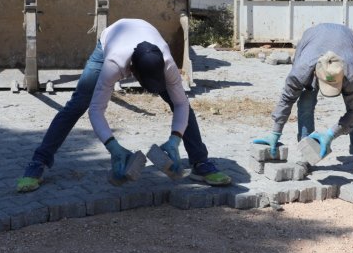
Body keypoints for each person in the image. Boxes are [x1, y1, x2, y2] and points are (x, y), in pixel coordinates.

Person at [16, 19, 232, 192]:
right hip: (111, 39)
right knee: (78, 103)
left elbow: (182, 104)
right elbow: (96, 110)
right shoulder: (113, 64)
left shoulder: (166, 63)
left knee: (180, 103)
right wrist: (114, 148)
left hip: (146, 37)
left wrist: (175, 139)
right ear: (132, 73)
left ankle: (200, 163)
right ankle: (38, 163)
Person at [253, 23, 353, 186]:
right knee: (305, 103)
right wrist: (275, 132)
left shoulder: (352, 74)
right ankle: (307, 156)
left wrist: (331, 134)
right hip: (313, 40)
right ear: (316, 73)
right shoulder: (301, 71)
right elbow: (287, 98)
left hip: (346, 39)